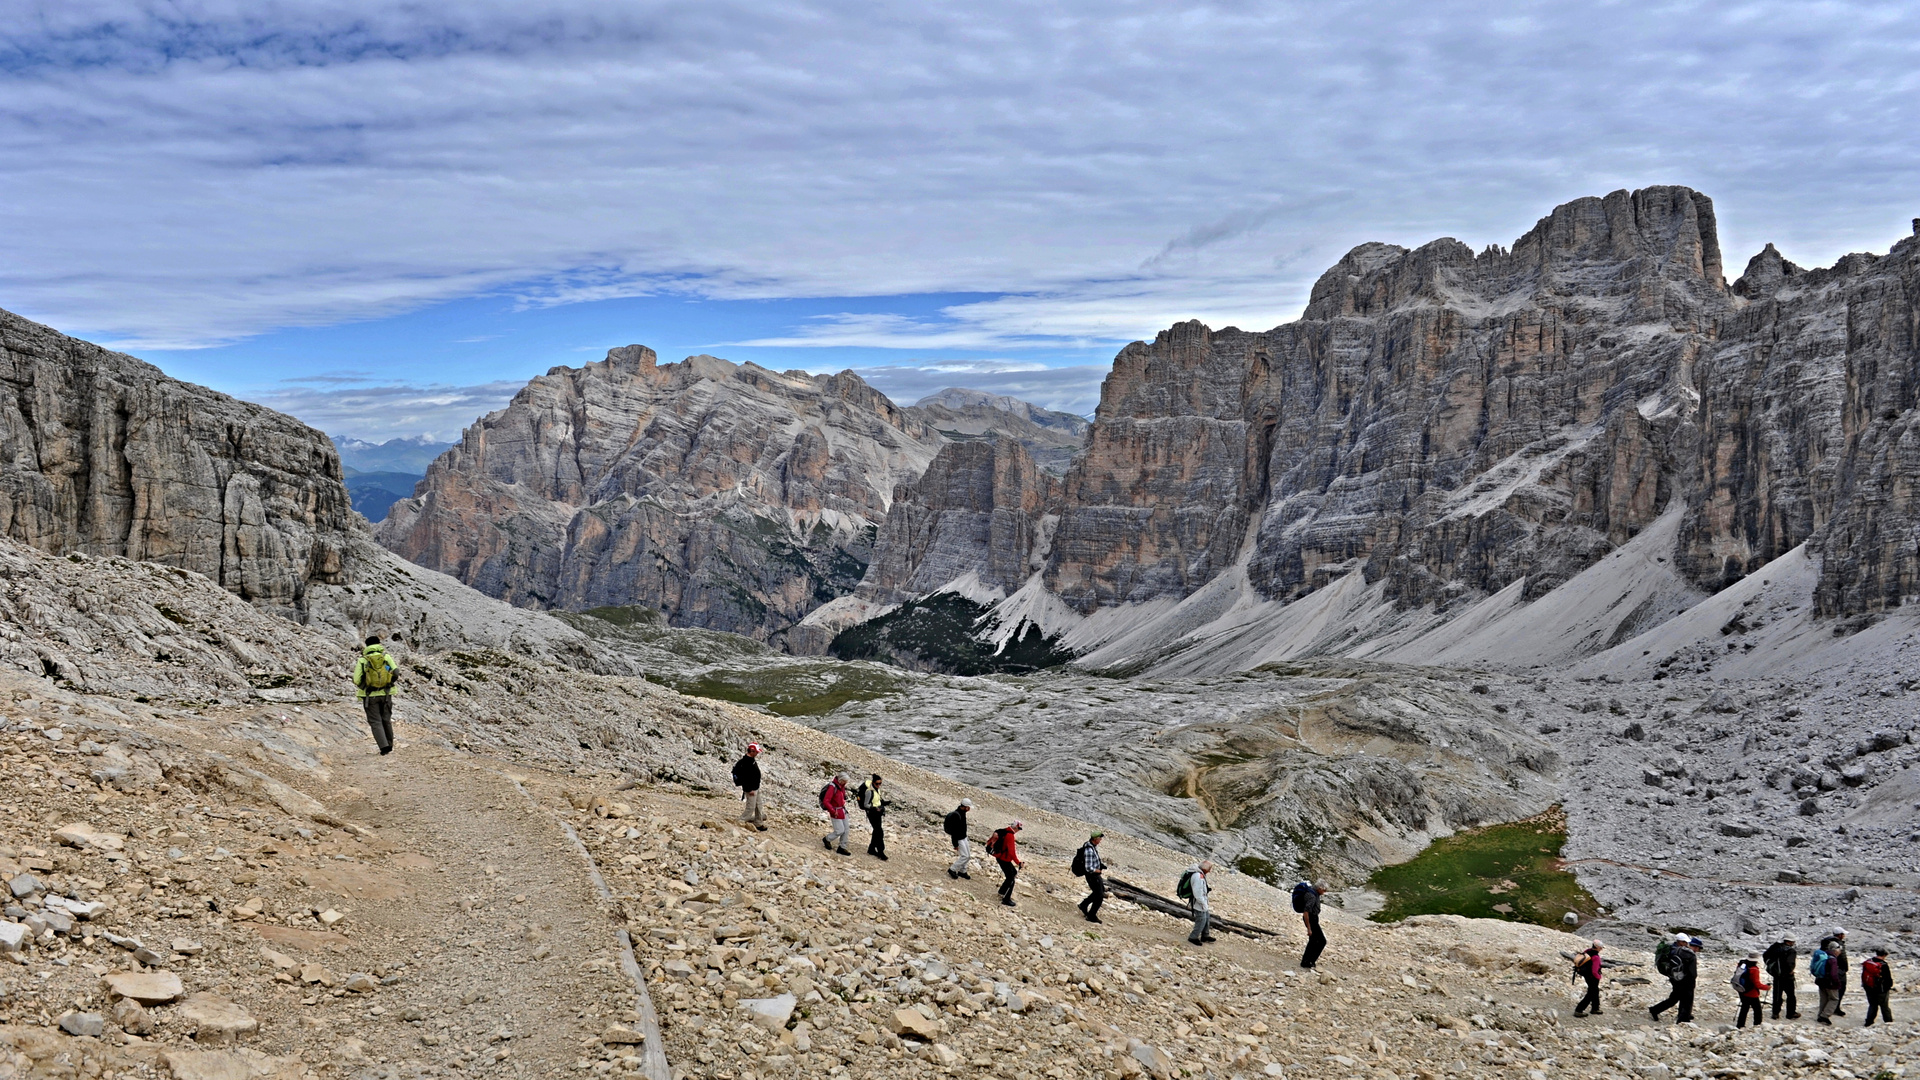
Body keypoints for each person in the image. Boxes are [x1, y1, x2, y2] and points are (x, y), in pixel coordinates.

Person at [352, 635, 399, 755]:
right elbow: (396, 672)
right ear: (379, 644)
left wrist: (365, 687)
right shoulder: (386, 657)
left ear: (367, 646)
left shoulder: (363, 660)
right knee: (386, 720)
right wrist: (389, 683)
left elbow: (356, 679)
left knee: (375, 721)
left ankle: (384, 748)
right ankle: (390, 745)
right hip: (386, 694)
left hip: (369, 696)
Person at [1650, 934, 1699, 1023]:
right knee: (1681, 998)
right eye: (1685, 942)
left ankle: (1684, 1015)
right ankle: (1656, 1010)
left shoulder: (1672, 949)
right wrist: (1692, 980)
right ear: (1680, 941)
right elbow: (1692, 972)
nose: (1686, 944)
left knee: (1678, 997)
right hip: (1684, 979)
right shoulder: (1686, 953)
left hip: (1674, 977)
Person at [1814, 928, 1848, 1024]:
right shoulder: (1834, 957)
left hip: (1821, 978)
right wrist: (1837, 981)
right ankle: (1826, 1015)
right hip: (1832, 978)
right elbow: (1834, 973)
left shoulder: (1824, 947)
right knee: (1834, 997)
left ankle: (1820, 1014)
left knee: (1824, 997)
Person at [987, 821, 1024, 907]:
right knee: (1011, 879)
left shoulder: (1004, 831)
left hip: (1001, 857)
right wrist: (1018, 862)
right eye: (1019, 829)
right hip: (1004, 859)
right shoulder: (1010, 836)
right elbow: (1011, 852)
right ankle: (1006, 899)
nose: (1018, 830)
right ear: (1015, 828)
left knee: (1013, 873)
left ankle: (1002, 891)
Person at [731, 743, 767, 831]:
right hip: (751, 789)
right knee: (750, 807)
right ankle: (741, 821)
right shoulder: (746, 762)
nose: (757, 753)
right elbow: (745, 778)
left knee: (759, 806)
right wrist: (749, 789)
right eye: (756, 752)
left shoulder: (751, 760)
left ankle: (758, 823)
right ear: (752, 751)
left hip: (755, 787)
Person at [1763, 936, 1799, 1019]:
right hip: (1787, 977)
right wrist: (1790, 971)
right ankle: (1791, 1013)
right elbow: (1790, 963)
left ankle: (1775, 1013)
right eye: (1793, 942)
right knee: (1791, 996)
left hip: (1777, 976)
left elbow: (1765, 955)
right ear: (1789, 942)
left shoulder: (1776, 947)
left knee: (1777, 994)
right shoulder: (1791, 951)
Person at [855, 773, 889, 859]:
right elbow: (866, 804)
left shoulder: (877, 790)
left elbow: (878, 800)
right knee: (879, 832)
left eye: (880, 783)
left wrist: (884, 803)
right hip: (872, 813)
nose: (879, 785)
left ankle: (872, 849)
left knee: (877, 830)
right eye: (877, 784)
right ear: (873, 783)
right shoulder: (869, 792)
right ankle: (880, 851)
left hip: (878, 813)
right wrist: (874, 808)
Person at [1183, 860, 1216, 945]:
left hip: (1201, 901)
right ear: (1205, 869)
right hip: (1198, 903)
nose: (1209, 871)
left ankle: (1205, 935)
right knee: (1201, 920)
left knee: (1206, 917)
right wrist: (1203, 903)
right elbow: (1197, 893)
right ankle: (1193, 937)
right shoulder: (1198, 876)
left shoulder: (1199, 874)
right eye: (1209, 869)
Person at [1076, 831, 1106, 923]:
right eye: (1100, 838)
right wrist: (1098, 870)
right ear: (1095, 839)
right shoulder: (1089, 850)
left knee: (1099, 892)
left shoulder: (1091, 847)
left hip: (1095, 876)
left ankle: (1084, 905)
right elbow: (1088, 868)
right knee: (1099, 896)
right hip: (1092, 876)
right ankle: (1091, 915)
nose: (1100, 840)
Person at [820, 773, 851, 856]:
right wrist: (832, 811)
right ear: (840, 780)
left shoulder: (841, 786)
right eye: (844, 781)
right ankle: (827, 839)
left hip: (842, 810)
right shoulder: (832, 787)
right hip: (836, 811)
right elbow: (826, 801)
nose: (845, 783)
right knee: (840, 830)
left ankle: (842, 847)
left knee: (846, 830)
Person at [1861, 947, 1893, 1027]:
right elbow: (1888, 979)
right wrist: (1888, 986)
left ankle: (1868, 1022)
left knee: (1872, 1005)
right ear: (1885, 955)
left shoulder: (1868, 962)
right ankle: (1888, 1022)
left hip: (1869, 987)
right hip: (1881, 989)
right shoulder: (1884, 965)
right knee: (1884, 1006)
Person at [1735, 952, 1768, 1028]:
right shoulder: (1754, 969)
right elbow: (1757, 984)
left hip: (1741, 989)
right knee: (1757, 1010)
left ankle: (1740, 1025)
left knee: (1744, 1008)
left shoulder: (1742, 964)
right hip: (1751, 992)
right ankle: (1757, 1025)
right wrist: (1767, 987)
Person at [1300, 881, 1328, 969]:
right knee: (1322, 941)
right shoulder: (1312, 896)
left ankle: (1306, 961)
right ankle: (1310, 961)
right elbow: (1306, 912)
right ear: (1319, 888)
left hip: (1313, 918)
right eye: (1324, 890)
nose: (1324, 892)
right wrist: (1309, 928)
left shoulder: (1313, 893)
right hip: (1311, 919)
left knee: (1313, 940)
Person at [1572, 941, 1604, 1017]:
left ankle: (1595, 1008)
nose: (1601, 949)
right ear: (1598, 947)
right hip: (1592, 977)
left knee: (1595, 990)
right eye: (1601, 947)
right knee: (1591, 993)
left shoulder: (1587, 951)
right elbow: (1594, 971)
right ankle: (1579, 1010)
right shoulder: (1595, 957)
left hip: (1586, 975)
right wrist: (1599, 977)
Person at [944, 799, 973, 879]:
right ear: (965, 807)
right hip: (959, 839)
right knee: (965, 856)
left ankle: (962, 871)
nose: (969, 809)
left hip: (963, 837)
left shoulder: (962, 813)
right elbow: (954, 831)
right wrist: (955, 844)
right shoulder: (956, 815)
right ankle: (952, 869)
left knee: (968, 856)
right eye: (968, 807)